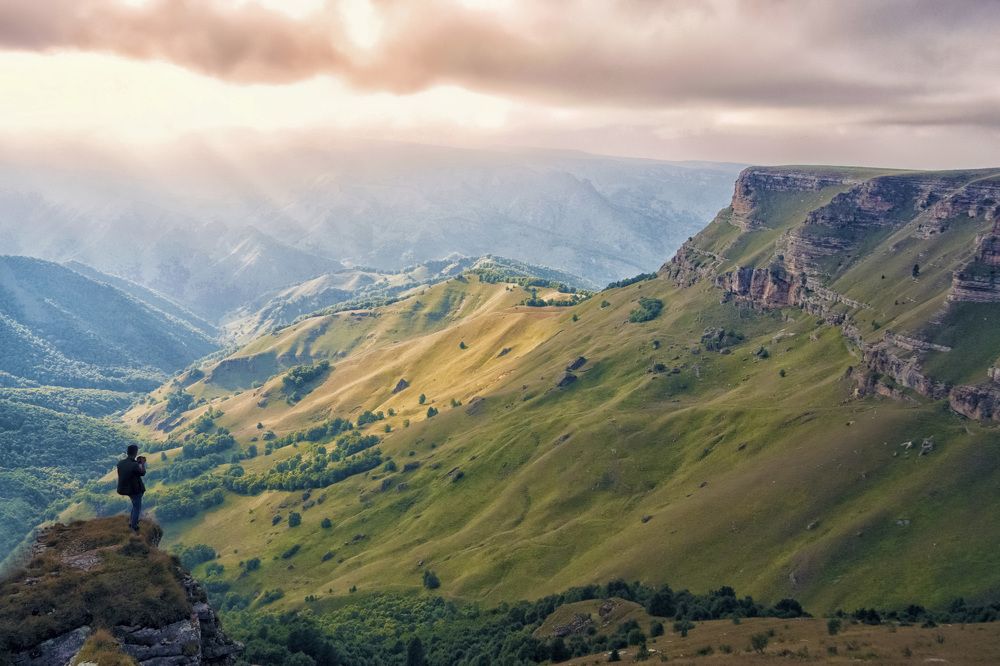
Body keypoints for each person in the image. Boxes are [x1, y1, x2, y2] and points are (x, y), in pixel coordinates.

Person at [116, 444, 147, 532]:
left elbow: (130, 470)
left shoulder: (120, 463)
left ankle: (132, 522)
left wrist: (137, 463)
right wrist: (142, 463)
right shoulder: (134, 465)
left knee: (135, 505)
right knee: (137, 507)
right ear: (136, 452)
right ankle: (134, 527)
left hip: (125, 489)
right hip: (135, 490)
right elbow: (142, 473)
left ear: (127, 452)